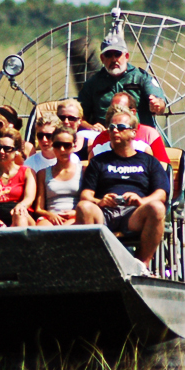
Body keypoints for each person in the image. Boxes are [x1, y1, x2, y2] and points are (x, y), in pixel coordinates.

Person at [76, 107, 169, 265]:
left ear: (133, 132)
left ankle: (142, 265)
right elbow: (85, 195)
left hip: (134, 214)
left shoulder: (148, 161)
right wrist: (101, 201)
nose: (115, 131)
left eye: (120, 127)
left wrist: (141, 201)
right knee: (84, 207)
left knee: (157, 208)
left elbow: (161, 193)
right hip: (104, 212)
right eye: (111, 127)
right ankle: (96, 264)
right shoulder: (99, 161)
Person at [76, 29, 167, 132]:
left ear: (126, 56)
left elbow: (160, 104)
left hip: (139, 136)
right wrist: (91, 127)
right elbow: (79, 118)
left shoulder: (141, 78)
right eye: (108, 55)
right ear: (102, 58)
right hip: (106, 136)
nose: (114, 59)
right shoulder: (92, 84)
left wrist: (157, 105)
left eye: (117, 54)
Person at [0, 127, 36, 228]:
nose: (2, 152)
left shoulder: (27, 172)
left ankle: (22, 243)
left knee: (19, 214)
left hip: (21, 213)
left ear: (17, 151)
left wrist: (21, 206)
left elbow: (29, 198)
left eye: (7, 148)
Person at [88, 92, 171, 164]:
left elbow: (162, 165)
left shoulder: (149, 134)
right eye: (112, 109)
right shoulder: (102, 138)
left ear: (133, 112)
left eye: (121, 109)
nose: (115, 112)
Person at [33, 126, 82, 227]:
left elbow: (88, 201)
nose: (62, 150)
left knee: (65, 230)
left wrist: (75, 213)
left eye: (67, 145)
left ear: (74, 146)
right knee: (42, 228)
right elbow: (38, 208)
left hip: (75, 216)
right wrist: (50, 215)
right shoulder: (43, 173)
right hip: (50, 216)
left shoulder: (83, 171)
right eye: (57, 145)